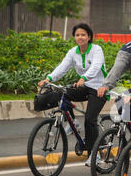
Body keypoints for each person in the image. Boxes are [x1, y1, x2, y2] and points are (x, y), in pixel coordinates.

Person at [38, 23, 107, 167]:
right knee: (61, 94)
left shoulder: (96, 49)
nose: (80, 37)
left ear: (89, 37)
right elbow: (62, 67)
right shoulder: (73, 52)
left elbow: (95, 66)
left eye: (83, 34)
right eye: (77, 35)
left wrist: (84, 78)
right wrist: (48, 79)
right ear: (74, 37)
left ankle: (95, 155)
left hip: (99, 88)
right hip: (83, 86)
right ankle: (73, 122)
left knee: (90, 118)